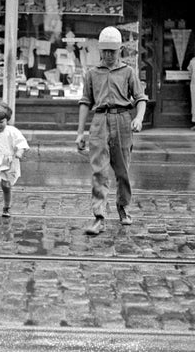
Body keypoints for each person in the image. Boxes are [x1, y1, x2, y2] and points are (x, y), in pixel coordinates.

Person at [74, 26, 147, 235]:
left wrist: (139, 119)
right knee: (99, 171)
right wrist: (80, 133)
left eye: (112, 52)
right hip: (99, 122)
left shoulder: (128, 72)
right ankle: (99, 216)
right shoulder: (92, 74)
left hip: (123, 121)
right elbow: (85, 102)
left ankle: (123, 207)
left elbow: (140, 99)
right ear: (99, 50)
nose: (108, 55)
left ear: (120, 50)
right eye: (104, 51)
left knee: (123, 170)